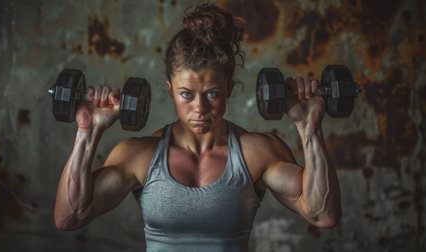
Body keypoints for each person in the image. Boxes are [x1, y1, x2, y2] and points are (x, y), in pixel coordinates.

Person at [54, 3, 341, 251]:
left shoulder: (256, 153)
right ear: (169, 90)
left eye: (212, 93)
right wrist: (88, 132)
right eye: (187, 95)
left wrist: (309, 127)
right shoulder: (140, 156)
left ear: (228, 88)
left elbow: (322, 214)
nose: (200, 108)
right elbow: (70, 217)